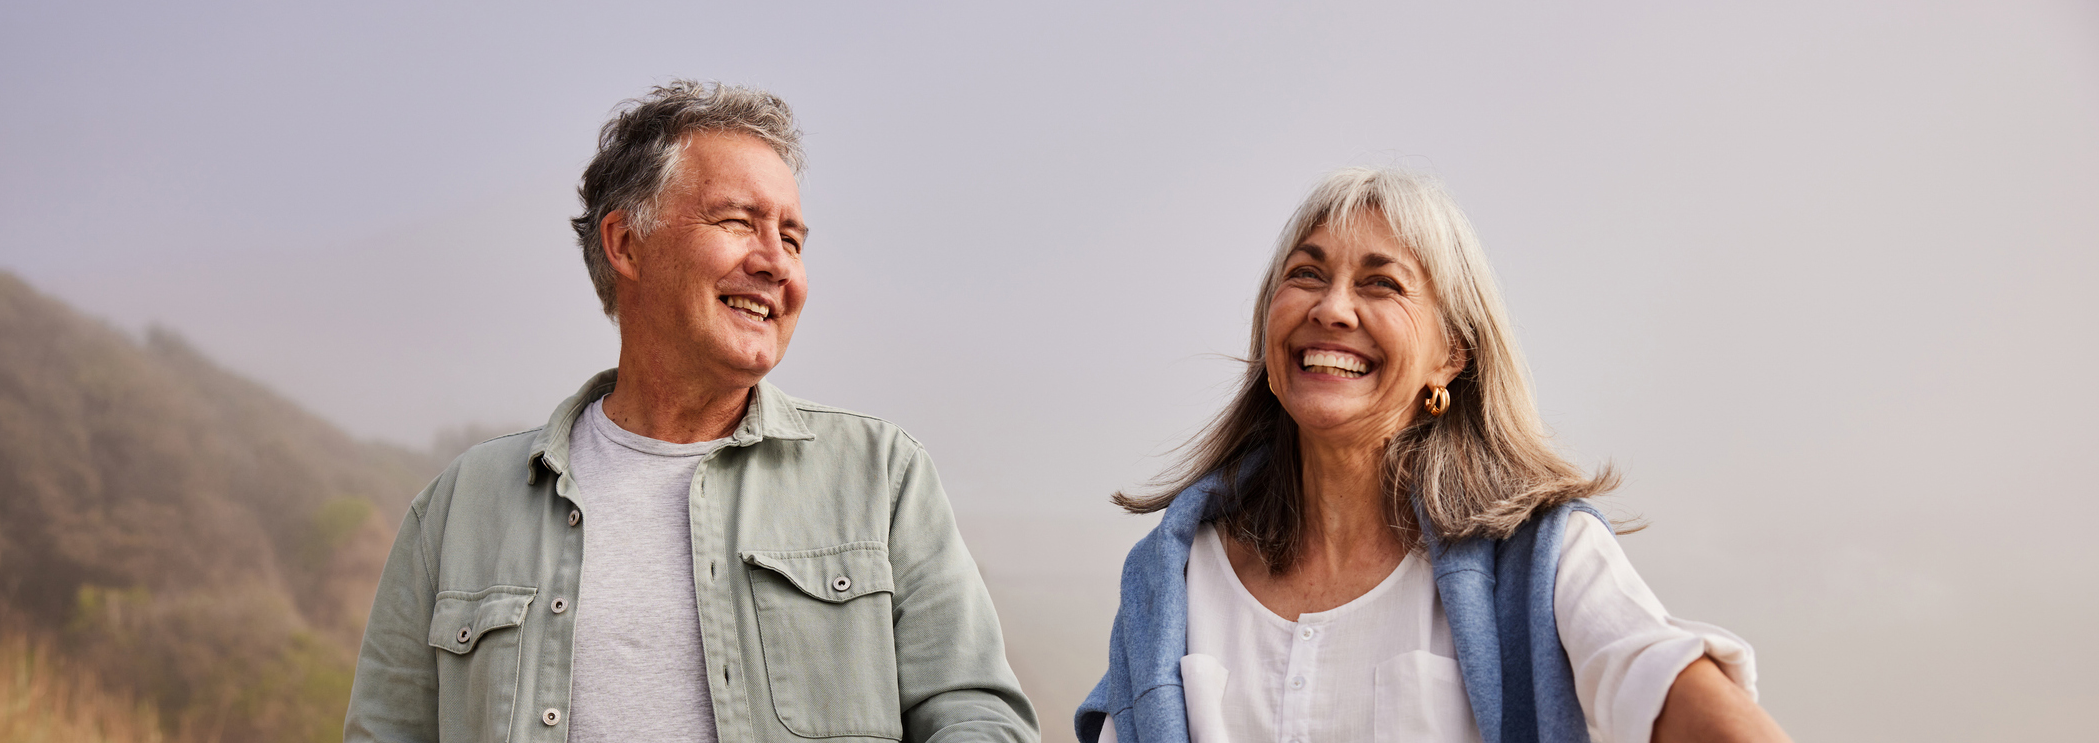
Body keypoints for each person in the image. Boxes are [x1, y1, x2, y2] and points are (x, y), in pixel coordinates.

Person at [345, 80, 1038, 743]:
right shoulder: (459, 506)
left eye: (792, 239)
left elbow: (977, 714)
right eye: (738, 221)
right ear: (625, 244)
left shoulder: (883, 476)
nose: (776, 265)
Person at [1076, 167, 1790, 743]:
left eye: (1380, 283)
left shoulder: (1540, 558)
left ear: (1450, 355)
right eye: (1306, 274)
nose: (1333, 308)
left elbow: (1664, 684)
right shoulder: (1173, 575)